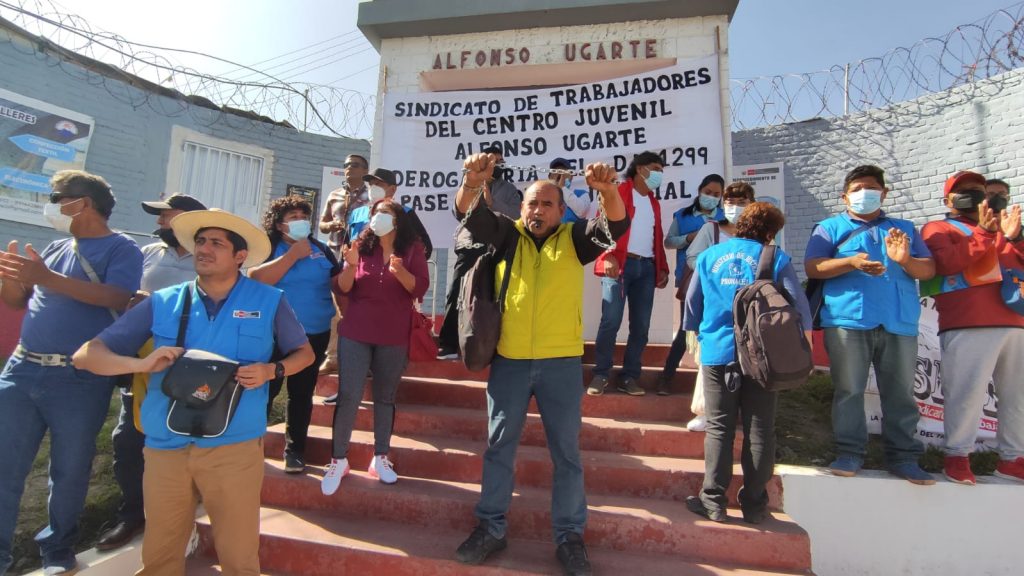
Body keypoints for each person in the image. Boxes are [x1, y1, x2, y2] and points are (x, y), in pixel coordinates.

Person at [72, 208, 314, 575]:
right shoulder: (164, 300)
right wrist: (138, 365)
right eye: (201, 241)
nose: (204, 248)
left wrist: (272, 370)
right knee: (160, 555)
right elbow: (87, 355)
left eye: (216, 243)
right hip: (165, 447)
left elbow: (305, 354)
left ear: (240, 256)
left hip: (234, 448)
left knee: (239, 555)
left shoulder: (269, 301)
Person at [451, 153, 628, 576]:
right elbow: (466, 213)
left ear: (561, 211)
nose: (538, 210)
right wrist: (473, 182)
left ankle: (569, 536)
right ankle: (491, 527)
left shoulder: (574, 238)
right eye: (532, 203)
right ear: (522, 207)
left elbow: (616, 225)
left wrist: (607, 190)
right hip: (509, 361)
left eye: (547, 204)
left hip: (561, 364)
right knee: (498, 448)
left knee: (566, 454)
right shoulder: (504, 233)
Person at [0, 170, 142, 576]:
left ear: (84, 203)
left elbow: (117, 295)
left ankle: (57, 552)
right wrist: (11, 278)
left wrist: (45, 277)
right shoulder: (57, 246)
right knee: (5, 467)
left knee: (69, 470)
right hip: (21, 370)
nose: (53, 204)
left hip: (77, 379)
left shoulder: (122, 248)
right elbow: (18, 301)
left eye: (57, 197)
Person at [804, 165, 936, 485]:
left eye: (872, 187)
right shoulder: (829, 227)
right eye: (858, 188)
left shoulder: (903, 229)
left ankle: (904, 458)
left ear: (885, 193)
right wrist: (851, 261)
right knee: (849, 390)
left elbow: (928, 270)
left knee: (901, 393)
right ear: (845, 196)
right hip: (847, 320)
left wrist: (905, 259)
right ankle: (849, 453)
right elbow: (814, 267)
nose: (865, 193)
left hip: (898, 322)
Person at [683, 202, 812, 524]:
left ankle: (712, 501)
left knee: (719, 428)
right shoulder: (775, 258)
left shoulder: (709, 257)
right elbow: (800, 307)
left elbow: (692, 303)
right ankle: (755, 504)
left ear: (740, 226)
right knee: (760, 430)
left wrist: (698, 335)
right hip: (763, 357)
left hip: (718, 352)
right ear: (771, 231)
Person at [95, 193, 207, 553]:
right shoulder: (146, 254)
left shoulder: (210, 259)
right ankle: (132, 515)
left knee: (184, 444)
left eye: (167, 217)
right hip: (141, 364)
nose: (160, 224)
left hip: (189, 367)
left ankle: (182, 514)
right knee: (128, 440)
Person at [320, 198, 429, 495]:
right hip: (356, 331)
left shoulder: (412, 249)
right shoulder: (360, 246)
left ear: (397, 220)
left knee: (385, 397)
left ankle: (380, 458)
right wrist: (350, 265)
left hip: (393, 334)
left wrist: (400, 272)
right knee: (349, 396)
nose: (379, 217)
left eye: (386, 213)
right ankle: (338, 460)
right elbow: (342, 287)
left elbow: (419, 288)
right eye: (375, 213)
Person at [922, 170, 1024, 485]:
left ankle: (1012, 459)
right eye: (964, 189)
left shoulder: (1003, 228)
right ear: (947, 199)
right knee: (966, 393)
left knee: (1017, 397)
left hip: (1016, 321)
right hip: (968, 322)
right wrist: (983, 232)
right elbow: (948, 263)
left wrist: (1015, 237)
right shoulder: (938, 228)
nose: (974, 193)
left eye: (978, 188)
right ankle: (957, 455)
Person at [249, 196, 340, 474]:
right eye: (292, 216)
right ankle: (251, 449)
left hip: (314, 334)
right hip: (273, 334)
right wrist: (291, 256)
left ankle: (295, 451)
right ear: (279, 225)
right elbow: (256, 277)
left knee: (300, 395)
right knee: (265, 392)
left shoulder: (322, 249)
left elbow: (339, 284)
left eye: (303, 215)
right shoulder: (268, 248)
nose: (300, 220)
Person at [672, 181, 754, 432]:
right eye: (730, 202)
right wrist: (718, 270)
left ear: (752, 204)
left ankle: (744, 409)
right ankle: (705, 411)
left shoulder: (758, 234)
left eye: (742, 202)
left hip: (750, 306)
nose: (735, 207)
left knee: (750, 357)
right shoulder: (712, 230)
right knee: (710, 359)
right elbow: (692, 257)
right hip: (715, 303)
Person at [588, 151, 670, 397]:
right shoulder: (619, 191)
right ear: (639, 168)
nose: (659, 174)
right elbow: (601, 225)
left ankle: (630, 376)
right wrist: (608, 256)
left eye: (661, 170)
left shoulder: (654, 202)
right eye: (655, 168)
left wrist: (662, 268)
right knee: (610, 321)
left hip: (646, 269)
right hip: (620, 265)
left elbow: (656, 237)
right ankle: (600, 374)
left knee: (641, 326)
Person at [436, 144, 522, 360]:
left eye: (499, 162)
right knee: (456, 293)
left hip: (495, 250)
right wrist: (475, 188)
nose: (496, 166)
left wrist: (491, 202)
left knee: (489, 298)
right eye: (491, 161)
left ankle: (487, 346)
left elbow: (515, 214)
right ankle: (448, 344)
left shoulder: (510, 190)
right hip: (468, 246)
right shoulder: (469, 183)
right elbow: (460, 210)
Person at [656, 174, 725, 397]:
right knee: (687, 330)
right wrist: (689, 238)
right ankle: (666, 378)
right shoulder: (683, 215)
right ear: (699, 190)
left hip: (720, 283)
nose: (711, 197)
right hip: (690, 279)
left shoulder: (726, 218)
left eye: (717, 194)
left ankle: (714, 386)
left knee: (716, 329)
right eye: (708, 192)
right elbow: (668, 241)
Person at [318, 153, 370, 375]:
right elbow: (321, 224)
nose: (349, 168)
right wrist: (331, 226)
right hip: (335, 254)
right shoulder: (335, 194)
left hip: (360, 257)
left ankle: (363, 359)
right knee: (334, 308)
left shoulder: (371, 196)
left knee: (359, 306)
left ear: (365, 171)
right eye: (346, 164)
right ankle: (332, 357)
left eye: (355, 165)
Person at [348, 167, 433, 259]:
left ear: (393, 189)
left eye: (378, 184)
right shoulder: (357, 213)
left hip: (392, 268)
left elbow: (425, 247)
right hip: (359, 270)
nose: (373, 188)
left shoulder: (404, 213)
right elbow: (346, 245)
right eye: (370, 184)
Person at [549, 157, 596, 223]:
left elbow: (581, 211)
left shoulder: (582, 194)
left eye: (563, 172)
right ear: (550, 177)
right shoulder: (545, 195)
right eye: (556, 171)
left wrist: (562, 188)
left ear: (571, 176)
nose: (560, 175)